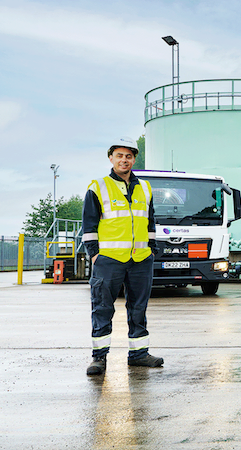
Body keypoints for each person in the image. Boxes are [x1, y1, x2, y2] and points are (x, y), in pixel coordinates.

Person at [83, 137, 163, 376]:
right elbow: (89, 225)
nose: (124, 160)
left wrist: (152, 248)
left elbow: (149, 222)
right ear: (111, 158)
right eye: (119, 155)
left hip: (140, 259)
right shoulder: (98, 187)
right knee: (102, 307)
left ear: (134, 159)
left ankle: (138, 355)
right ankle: (99, 358)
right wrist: (94, 255)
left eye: (128, 156)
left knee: (138, 307)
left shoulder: (145, 188)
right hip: (108, 260)